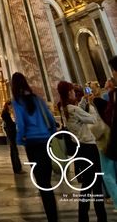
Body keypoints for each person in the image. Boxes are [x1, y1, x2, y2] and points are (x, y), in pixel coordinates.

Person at [57, 80, 107, 222]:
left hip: (80, 149)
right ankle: (101, 217)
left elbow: (77, 112)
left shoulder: (65, 109)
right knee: (96, 185)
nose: (74, 92)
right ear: (69, 93)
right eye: (72, 91)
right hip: (89, 148)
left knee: (86, 185)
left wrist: (83, 102)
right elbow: (93, 120)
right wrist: (91, 105)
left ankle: (82, 217)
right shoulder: (74, 109)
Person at [11, 72, 58, 222]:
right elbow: (51, 120)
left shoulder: (17, 101)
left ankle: (51, 216)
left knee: (41, 182)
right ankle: (54, 216)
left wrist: (20, 140)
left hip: (32, 144)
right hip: (45, 142)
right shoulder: (38, 99)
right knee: (47, 182)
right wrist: (49, 135)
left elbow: (21, 124)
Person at [91, 97, 117, 210]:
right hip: (113, 146)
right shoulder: (111, 114)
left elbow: (95, 130)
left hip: (105, 147)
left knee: (107, 175)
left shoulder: (100, 118)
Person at [1, 100, 22, 173]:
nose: (11, 107)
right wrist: (16, 123)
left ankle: (17, 168)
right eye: (10, 105)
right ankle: (17, 168)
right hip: (10, 132)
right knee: (14, 150)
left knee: (13, 150)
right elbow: (10, 123)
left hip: (12, 131)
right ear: (7, 105)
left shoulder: (8, 112)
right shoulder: (5, 113)